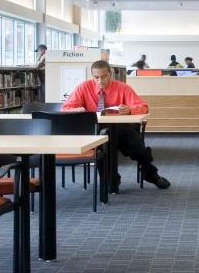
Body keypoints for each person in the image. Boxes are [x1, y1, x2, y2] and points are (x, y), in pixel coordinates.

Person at [62, 60, 170, 190]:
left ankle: (150, 173)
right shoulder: (83, 87)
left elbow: (143, 107)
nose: (100, 81)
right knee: (105, 146)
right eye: (96, 77)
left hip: (121, 129)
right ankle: (111, 180)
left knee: (138, 148)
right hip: (95, 132)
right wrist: (76, 110)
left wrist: (130, 110)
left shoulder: (122, 87)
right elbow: (66, 107)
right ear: (92, 76)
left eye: (104, 76)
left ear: (110, 74)